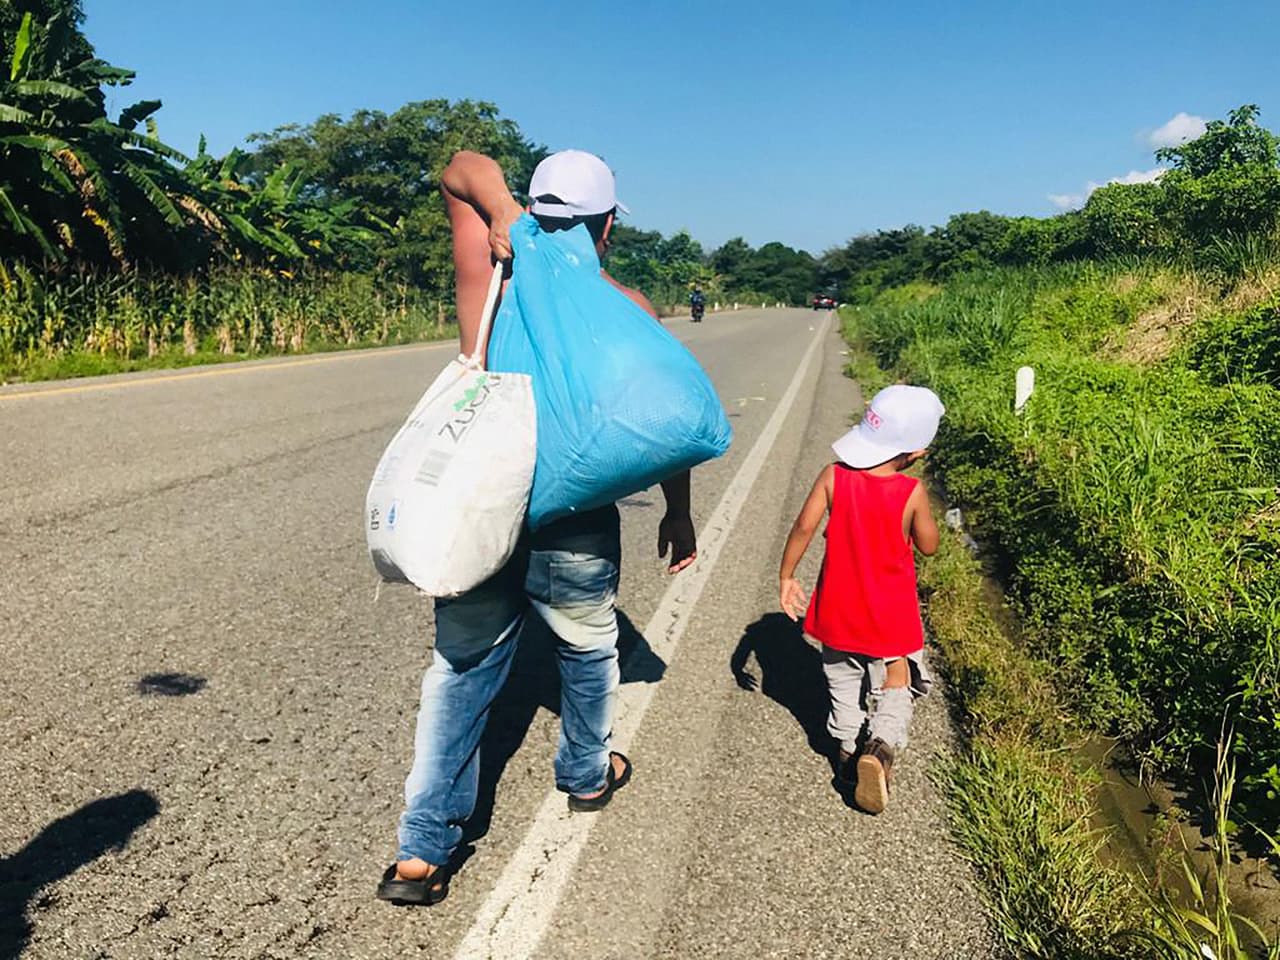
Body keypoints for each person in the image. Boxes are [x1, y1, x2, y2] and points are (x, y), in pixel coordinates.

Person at [376, 149, 699, 906]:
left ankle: (422, 851)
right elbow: (666, 427)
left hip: (479, 513)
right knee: (588, 650)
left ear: (535, 209)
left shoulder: (489, 280)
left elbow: (457, 166)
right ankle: (587, 775)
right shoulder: (627, 304)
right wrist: (678, 513)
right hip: (575, 527)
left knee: (459, 673)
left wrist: (500, 209)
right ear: (608, 225)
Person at [777, 384, 944, 814]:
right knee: (896, 682)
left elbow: (803, 527)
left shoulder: (834, 475)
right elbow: (929, 546)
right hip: (890, 619)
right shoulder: (911, 492)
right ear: (917, 451)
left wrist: (787, 575)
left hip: (835, 612)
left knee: (842, 682)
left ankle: (849, 752)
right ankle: (881, 748)